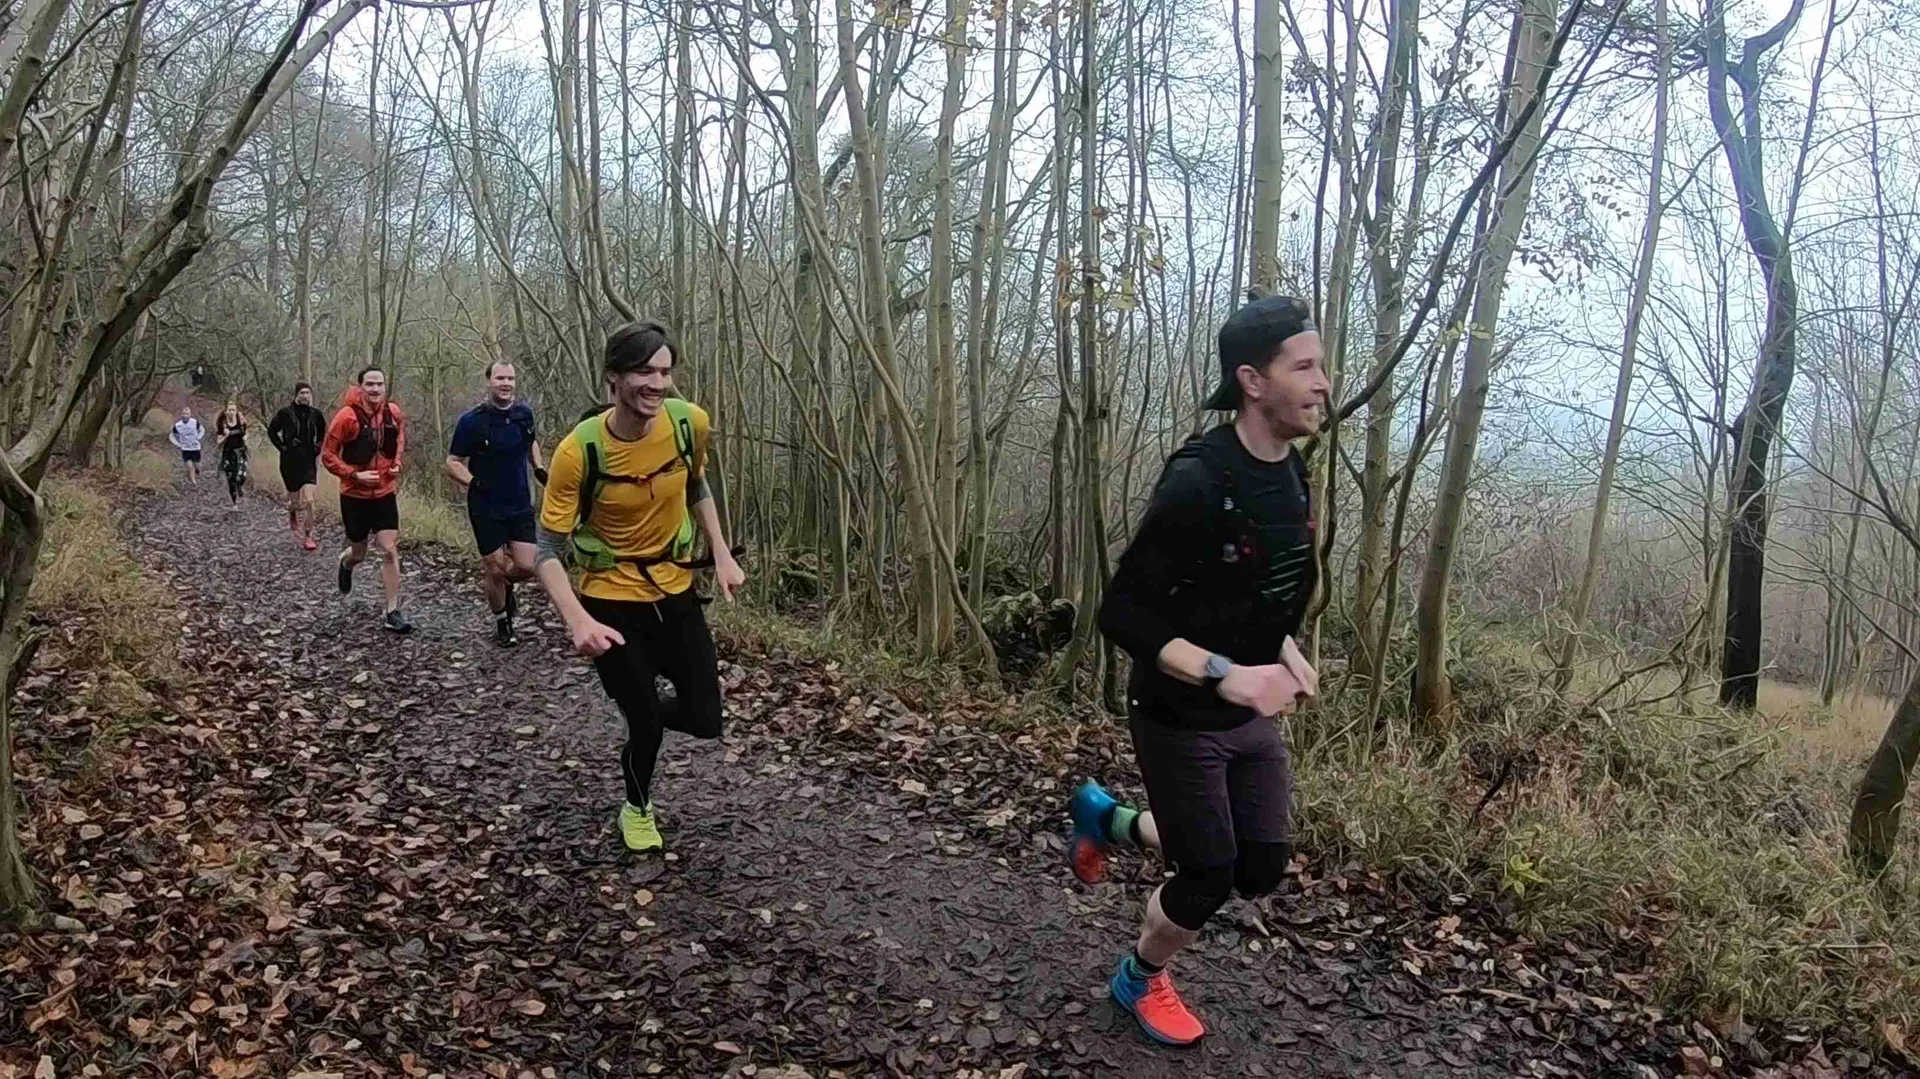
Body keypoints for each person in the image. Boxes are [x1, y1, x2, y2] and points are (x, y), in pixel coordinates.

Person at [1067, 294, 1329, 1047]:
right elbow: (1122, 612)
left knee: (1261, 866)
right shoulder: (1197, 479)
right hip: (1178, 711)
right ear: (1253, 380)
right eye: (1304, 367)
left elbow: (1254, 590)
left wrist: (1285, 651)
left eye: (1321, 365)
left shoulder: (1294, 473)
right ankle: (1138, 977)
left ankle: (1107, 821)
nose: (1322, 383)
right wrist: (1228, 674)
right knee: (1207, 875)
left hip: (1244, 707)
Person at [535, 320, 745, 853]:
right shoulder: (578, 451)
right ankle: (637, 806)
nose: (657, 383)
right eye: (644, 372)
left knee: (705, 719)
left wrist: (719, 551)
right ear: (613, 378)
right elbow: (546, 551)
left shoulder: (688, 422)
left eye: (665, 371)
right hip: (610, 603)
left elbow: (696, 482)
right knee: (647, 725)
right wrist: (576, 619)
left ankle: (641, 717)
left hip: (674, 592)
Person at [447, 361, 548, 647]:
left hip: (519, 502)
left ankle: (506, 587)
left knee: (528, 566)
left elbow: (531, 443)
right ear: (489, 382)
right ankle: (502, 622)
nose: (506, 383)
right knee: (494, 567)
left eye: (511, 378)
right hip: (485, 505)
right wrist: (473, 483)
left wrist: (539, 467)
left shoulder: (523, 415)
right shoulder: (471, 421)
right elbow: (452, 462)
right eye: (500, 378)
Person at [321, 367, 412, 633]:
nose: (374, 389)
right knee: (358, 553)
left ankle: (392, 610)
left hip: (384, 493)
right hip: (354, 496)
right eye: (369, 384)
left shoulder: (393, 414)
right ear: (360, 387)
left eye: (379, 384)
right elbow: (328, 455)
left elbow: (400, 439)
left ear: (385, 387)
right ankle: (345, 562)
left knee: (388, 548)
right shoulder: (346, 418)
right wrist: (355, 475)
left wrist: (396, 464)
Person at [269, 382, 328, 552]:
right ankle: (292, 511)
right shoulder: (285, 413)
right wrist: (282, 447)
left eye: (308, 393)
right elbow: (272, 431)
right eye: (302, 393)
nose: (306, 396)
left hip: (309, 459)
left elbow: (323, 431)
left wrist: (318, 445)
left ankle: (309, 536)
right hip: (290, 460)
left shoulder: (316, 414)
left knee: (309, 500)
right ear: (296, 394)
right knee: (295, 500)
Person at [214, 399, 250, 511]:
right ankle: (234, 503)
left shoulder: (240, 419)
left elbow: (247, 432)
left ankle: (240, 485)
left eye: (233, 410)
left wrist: (246, 437)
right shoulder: (222, 423)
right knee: (231, 478)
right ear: (226, 411)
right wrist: (226, 436)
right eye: (229, 410)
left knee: (242, 474)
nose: (231, 412)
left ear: (236, 411)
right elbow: (218, 441)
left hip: (241, 451)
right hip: (228, 453)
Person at [169, 407, 205, 484]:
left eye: (187, 414)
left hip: (195, 448)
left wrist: (198, 437)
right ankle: (193, 480)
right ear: (181, 415)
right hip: (185, 449)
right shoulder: (177, 425)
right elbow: (172, 435)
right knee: (189, 465)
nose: (185, 415)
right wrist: (177, 444)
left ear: (190, 415)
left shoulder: (195, 422)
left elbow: (202, 430)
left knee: (197, 464)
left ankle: (198, 471)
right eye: (184, 414)